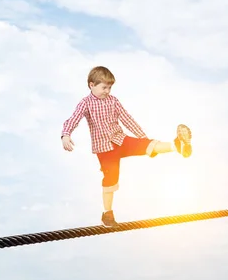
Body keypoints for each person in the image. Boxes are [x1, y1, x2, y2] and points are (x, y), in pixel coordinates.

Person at [60, 66, 192, 227]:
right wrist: (66, 134)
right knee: (111, 178)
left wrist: (143, 138)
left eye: (109, 87)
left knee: (147, 145)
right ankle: (107, 215)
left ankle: (177, 145)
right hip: (104, 148)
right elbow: (74, 118)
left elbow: (126, 119)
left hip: (120, 140)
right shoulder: (85, 103)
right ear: (91, 85)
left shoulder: (113, 101)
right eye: (104, 87)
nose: (107, 91)